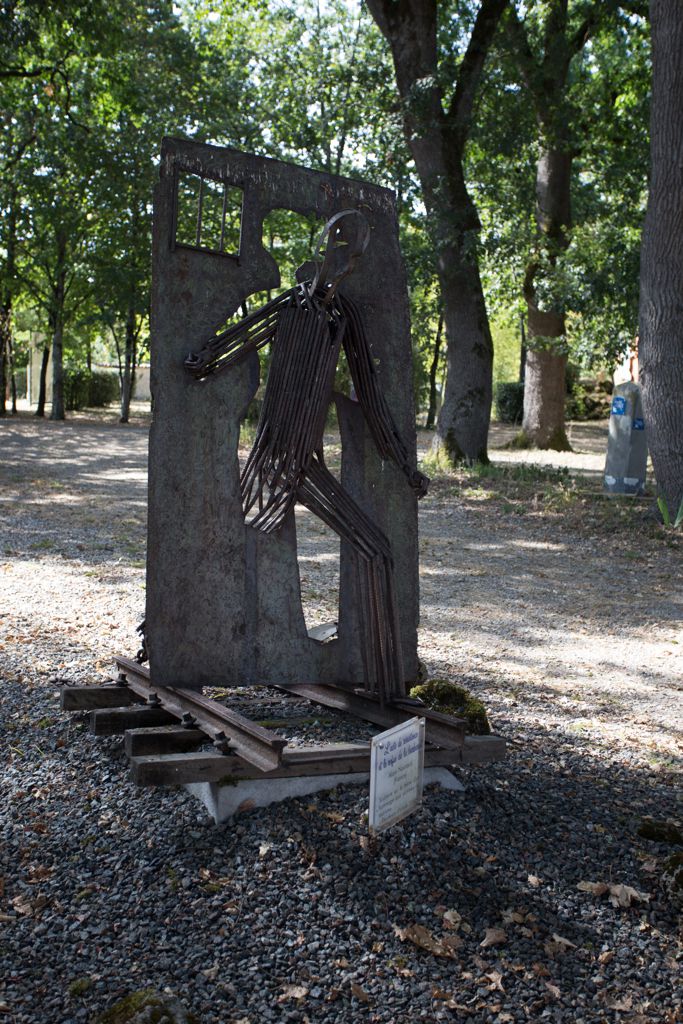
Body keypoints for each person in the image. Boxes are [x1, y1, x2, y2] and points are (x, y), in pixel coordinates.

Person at [185, 210, 428, 704]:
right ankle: (174, 637)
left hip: (305, 464)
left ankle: (385, 692)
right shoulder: (291, 307)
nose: (346, 262)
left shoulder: (346, 319)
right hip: (273, 460)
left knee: (377, 550)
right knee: (219, 543)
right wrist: (202, 358)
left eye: (355, 255)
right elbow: (241, 337)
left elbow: (373, 402)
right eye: (341, 247)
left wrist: (405, 465)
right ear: (324, 246)